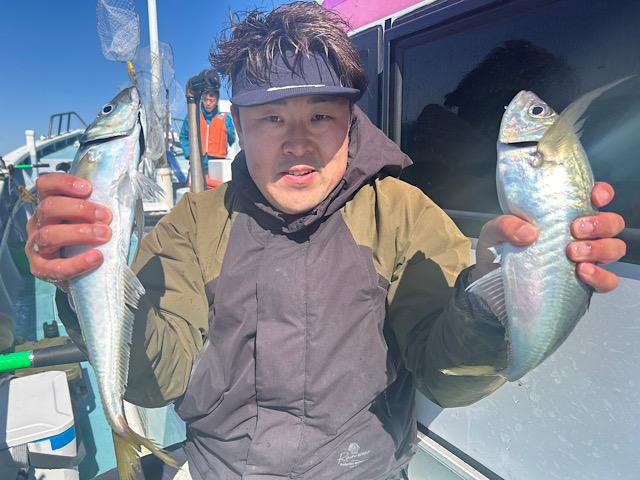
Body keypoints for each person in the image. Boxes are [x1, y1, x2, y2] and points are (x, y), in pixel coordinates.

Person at [25, 2, 627, 479]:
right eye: (271, 118)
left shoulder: (404, 214)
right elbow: (157, 377)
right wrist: (83, 275)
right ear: (239, 127)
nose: (298, 142)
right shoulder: (193, 222)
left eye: (320, 116)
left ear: (350, 123)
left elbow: (445, 377)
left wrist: (496, 294)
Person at [179, 88, 236, 185]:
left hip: (218, 164)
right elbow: (183, 136)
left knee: (217, 190)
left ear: (217, 100)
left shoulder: (226, 119)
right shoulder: (192, 116)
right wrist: (188, 154)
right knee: (195, 190)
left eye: (211, 100)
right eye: (205, 100)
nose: (208, 103)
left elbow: (233, 140)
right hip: (197, 162)